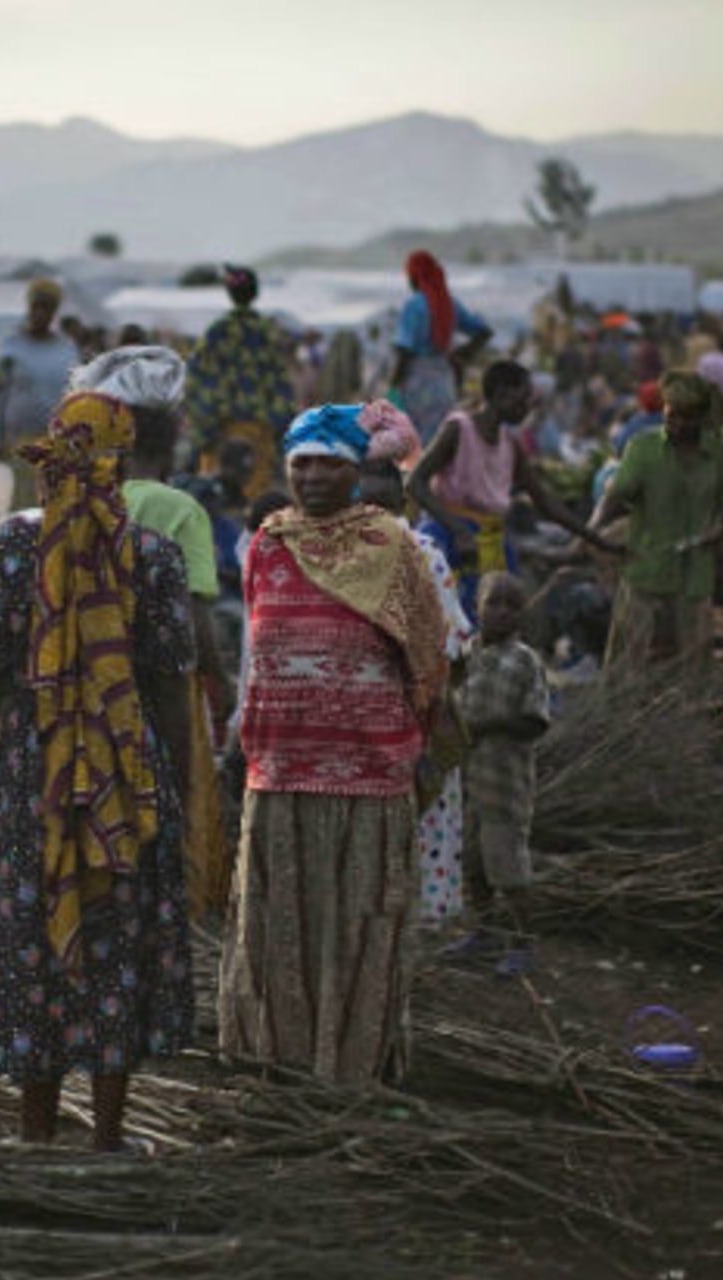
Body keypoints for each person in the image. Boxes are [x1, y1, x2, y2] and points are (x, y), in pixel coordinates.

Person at [0, 391, 196, 1151]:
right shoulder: (151, 555)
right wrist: (179, 793)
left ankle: (34, 1134)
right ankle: (109, 1136)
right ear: (120, 465)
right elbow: (169, 687)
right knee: (115, 945)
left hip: (33, 771)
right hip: (126, 773)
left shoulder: (3, 548)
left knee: (36, 939)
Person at [221, 403, 449, 1085]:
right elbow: (254, 649)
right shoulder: (267, 542)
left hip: (368, 774)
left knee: (357, 923)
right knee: (279, 924)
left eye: (329, 463)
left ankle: (350, 1060)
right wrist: (244, 732)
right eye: (302, 463)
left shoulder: (392, 545)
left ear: (356, 471)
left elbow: (428, 656)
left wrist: (410, 737)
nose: (314, 476)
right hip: (280, 767)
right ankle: (278, 1054)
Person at [69, 347, 233, 920]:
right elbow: (193, 616)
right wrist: (219, 676)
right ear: (169, 444)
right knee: (169, 798)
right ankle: (168, 912)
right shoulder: (180, 509)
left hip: (87, 678)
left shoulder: (81, 498)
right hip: (161, 685)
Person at [357, 445, 473, 927]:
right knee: (420, 832)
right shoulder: (425, 555)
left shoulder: (331, 556)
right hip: (413, 722)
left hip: (356, 726)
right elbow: (457, 651)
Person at [408, 360, 618, 625]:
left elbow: (545, 503)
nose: (528, 407)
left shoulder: (511, 444)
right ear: (501, 394)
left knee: (494, 623)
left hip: (490, 542)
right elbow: (415, 483)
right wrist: (457, 530)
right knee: (444, 623)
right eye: (523, 398)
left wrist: (596, 539)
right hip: (448, 539)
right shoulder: (459, 430)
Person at [590, 370, 723, 671]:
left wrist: (714, 529)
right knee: (630, 663)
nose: (679, 425)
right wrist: (591, 533)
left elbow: (720, 505)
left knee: (692, 670)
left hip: (694, 578)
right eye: (672, 416)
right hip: (647, 569)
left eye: (688, 417)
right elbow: (615, 497)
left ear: (702, 417)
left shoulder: (717, 454)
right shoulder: (643, 449)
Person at [447, 572, 551, 972]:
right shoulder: (465, 655)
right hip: (467, 783)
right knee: (474, 864)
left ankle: (524, 944)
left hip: (504, 784)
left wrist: (486, 726)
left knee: (508, 867)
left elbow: (535, 721)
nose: (502, 612)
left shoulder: (525, 661)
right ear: (478, 605)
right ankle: (484, 933)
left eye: (512, 606)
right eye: (494, 603)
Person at [186, 266, 296, 497]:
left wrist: (203, 425)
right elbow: (281, 382)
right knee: (254, 499)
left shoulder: (217, 331)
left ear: (229, 293)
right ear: (255, 293)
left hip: (219, 430)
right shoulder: (268, 332)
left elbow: (196, 376)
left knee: (214, 498)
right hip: (259, 430)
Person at [0, 279, 78, 511]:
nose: (40, 313)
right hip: (21, 443)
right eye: (36, 306)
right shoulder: (10, 347)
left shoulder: (66, 349)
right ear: (28, 308)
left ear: (54, 312)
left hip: (58, 445)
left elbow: (74, 394)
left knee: (54, 511)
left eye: (47, 307)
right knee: (23, 511)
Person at [392, 251, 492, 440]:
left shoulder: (413, 306)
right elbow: (484, 333)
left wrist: (392, 387)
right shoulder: (449, 303)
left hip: (416, 384)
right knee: (439, 443)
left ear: (415, 276)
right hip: (445, 383)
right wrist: (463, 353)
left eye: (409, 276)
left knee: (414, 444)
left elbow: (404, 352)